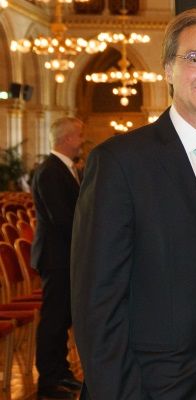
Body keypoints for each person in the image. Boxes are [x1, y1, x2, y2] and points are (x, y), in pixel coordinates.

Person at [71, 9, 196, 399]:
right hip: (152, 386)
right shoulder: (119, 162)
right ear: (168, 69)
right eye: (195, 58)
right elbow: (97, 304)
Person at [31, 117, 85, 399]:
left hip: (63, 256)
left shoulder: (63, 169)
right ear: (67, 139)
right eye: (79, 136)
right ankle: (49, 379)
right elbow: (63, 218)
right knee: (54, 319)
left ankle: (60, 371)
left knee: (62, 317)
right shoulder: (50, 171)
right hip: (56, 257)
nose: (82, 141)